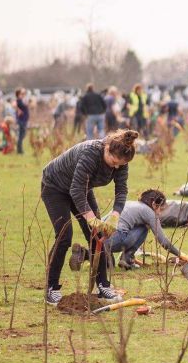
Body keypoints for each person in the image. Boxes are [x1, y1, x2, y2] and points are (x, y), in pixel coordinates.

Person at [40, 129, 138, 305]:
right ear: (107, 149)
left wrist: (115, 215)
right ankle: (51, 288)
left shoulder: (122, 158)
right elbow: (75, 190)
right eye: (114, 162)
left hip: (80, 189)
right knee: (64, 237)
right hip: (55, 187)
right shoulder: (91, 153)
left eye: (120, 164)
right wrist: (92, 219)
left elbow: (121, 189)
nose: (116, 167)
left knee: (97, 236)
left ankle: (103, 285)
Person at [100, 189, 188, 270]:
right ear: (153, 204)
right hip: (115, 239)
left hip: (100, 236)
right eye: (160, 209)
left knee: (108, 265)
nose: (160, 213)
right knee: (145, 227)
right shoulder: (149, 213)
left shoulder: (131, 203)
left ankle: (121, 256)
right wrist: (181, 255)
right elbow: (163, 241)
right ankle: (127, 258)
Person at [15, 88, 29, 155]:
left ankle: (19, 150)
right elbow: (24, 105)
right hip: (21, 121)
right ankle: (19, 150)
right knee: (21, 135)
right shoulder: (19, 101)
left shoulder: (21, 100)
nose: (23, 95)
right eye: (21, 94)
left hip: (24, 120)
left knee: (22, 135)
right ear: (18, 94)